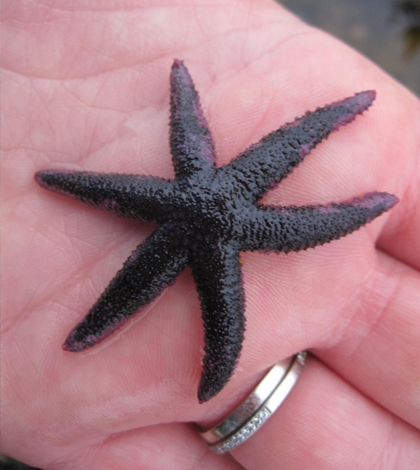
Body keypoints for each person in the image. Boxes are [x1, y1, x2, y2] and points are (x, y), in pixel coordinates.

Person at [1, 0, 419, 468]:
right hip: (212, 217)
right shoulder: (220, 203)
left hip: (204, 215)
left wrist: (182, 85)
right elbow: (298, 190)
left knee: (172, 289)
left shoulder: (202, 193)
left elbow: (195, 129)